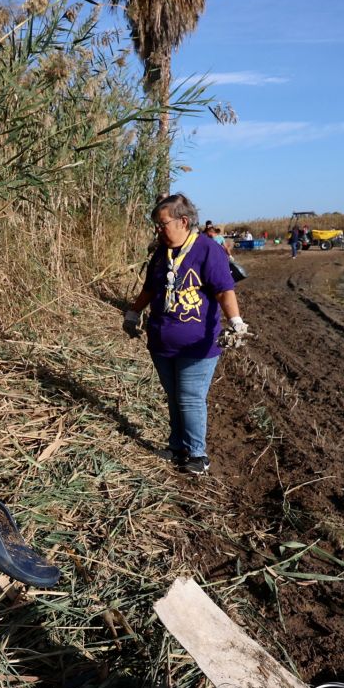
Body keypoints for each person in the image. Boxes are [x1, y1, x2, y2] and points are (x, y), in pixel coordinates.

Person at [120, 194, 247, 476]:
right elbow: (150, 288)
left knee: (190, 397)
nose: (158, 229)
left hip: (197, 345)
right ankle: (177, 446)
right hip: (162, 342)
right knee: (174, 396)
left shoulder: (207, 250)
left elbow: (224, 290)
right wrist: (133, 313)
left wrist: (236, 322)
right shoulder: (162, 252)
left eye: (162, 223)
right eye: (155, 224)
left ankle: (197, 454)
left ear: (183, 221)